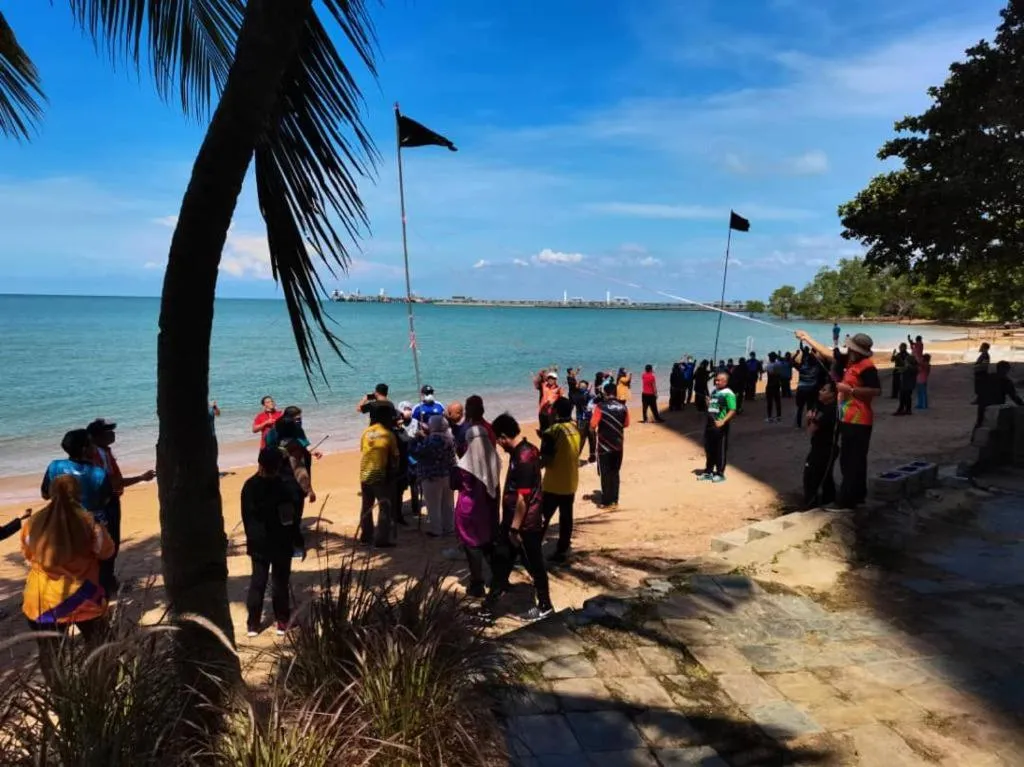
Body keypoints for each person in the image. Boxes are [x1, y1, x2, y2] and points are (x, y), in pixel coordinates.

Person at [21, 474, 115, 675]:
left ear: (51, 493)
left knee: (50, 655)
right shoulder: (89, 522)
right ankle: (99, 692)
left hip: (40, 600)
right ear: (78, 493)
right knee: (100, 648)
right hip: (83, 596)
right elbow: (106, 552)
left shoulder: (32, 523)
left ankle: (59, 698)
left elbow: (28, 556)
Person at [796, 330, 882, 510]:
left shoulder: (866, 367)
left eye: (850, 347)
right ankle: (857, 495)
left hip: (859, 420)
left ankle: (847, 500)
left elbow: (875, 391)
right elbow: (828, 354)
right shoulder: (850, 362)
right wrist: (807, 338)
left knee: (851, 461)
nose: (847, 349)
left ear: (857, 350)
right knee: (851, 459)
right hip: (847, 418)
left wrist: (850, 390)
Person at [488, 413, 554, 622]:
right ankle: (489, 606)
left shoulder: (524, 456)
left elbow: (523, 498)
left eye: (499, 440)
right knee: (502, 561)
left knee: (533, 563)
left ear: (504, 436)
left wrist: (514, 529)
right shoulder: (523, 451)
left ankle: (545, 605)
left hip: (525, 524)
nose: (499, 445)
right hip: (515, 521)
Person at [86, 419, 156, 595]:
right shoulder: (98, 455)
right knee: (109, 545)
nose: (112, 434)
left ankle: (108, 582)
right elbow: (112, 482)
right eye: (108, 431)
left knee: (108, 544)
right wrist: (140, 478)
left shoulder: (103, 452)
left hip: (108, 501)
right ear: (97, 437)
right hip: (106, 504)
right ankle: (106, 585)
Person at [241, 448, 296, 637]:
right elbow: (289, 518)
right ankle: (282, 622)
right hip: (280, 540)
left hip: (257, 541)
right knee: (280, 581)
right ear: (279, 465)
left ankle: (253, 625)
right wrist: (296, 539)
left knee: (258, 581)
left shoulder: (249, 486)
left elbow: (246, 517)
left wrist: (251, 537)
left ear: (260, 463)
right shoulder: (284, 486)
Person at [453, 396, 501, 597]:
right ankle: (497, 577)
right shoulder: (494, 460)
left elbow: (454, 483)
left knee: (471, 543)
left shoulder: (465, 464)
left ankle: (477, 582)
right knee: (488, 540)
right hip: (489, 503)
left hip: (470, 506)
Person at [540, 398, 582, 564]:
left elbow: (547, 460)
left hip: (553, 484)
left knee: (542, 519)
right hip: (570, 481)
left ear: (555, 411)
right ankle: (562, 550)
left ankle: (532, 550)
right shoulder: (575, 428)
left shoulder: (553, 431)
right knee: (566, 518)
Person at [42, 429, 112, 518]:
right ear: (84, 449)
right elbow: (105, 501)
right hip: (91, 524)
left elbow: (45, 495)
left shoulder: (54, 466)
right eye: (92, 443)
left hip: (62, 521)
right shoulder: (99, 473)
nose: (95, 446)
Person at [358, 403, 399, 548]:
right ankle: (382, 539)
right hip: (381, 474)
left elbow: (364, 450)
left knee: (366, 505)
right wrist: (394, 474)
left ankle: (366, 535)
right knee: (384, 506)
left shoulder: (366, 432)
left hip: (365, 473)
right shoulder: (388, 434)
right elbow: (394, 457)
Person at [274, 418, 316, 558]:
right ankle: (297, 547)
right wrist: (309, 490)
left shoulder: (273, 444)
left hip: (277, 486)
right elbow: (299, 471)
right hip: (292, 487)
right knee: (295, 519)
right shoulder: (294, 445)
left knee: (284, 519)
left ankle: (284, 545)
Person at [412, 415, 456, 537]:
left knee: (433, 504)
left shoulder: (432, 440)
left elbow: (419, 453)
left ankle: (437, 530)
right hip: (447, 474)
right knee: (447, 504)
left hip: (432, 476)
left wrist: (416, 439)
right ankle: (449, 527)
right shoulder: (450, 437)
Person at [591, 381, 629, 508]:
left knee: (605, 473)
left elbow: (592, 425)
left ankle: (606, 500)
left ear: (605, 393)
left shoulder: (600, 407)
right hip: (618, 445)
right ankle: (615, 499)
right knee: (615, 472)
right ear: (616, 393)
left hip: (604, 446)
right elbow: (626, 424)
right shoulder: (623, 407)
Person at [803, 382, 838, 508]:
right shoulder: (824, 407)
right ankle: (829, 500)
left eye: (824, 390)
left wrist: (810, 419)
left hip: (825, 448)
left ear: (832, 394)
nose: (820, 392)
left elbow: (811, 430)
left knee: (811, 476)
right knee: (825, 476)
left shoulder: (829, 411)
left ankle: (811, 504)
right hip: (823, 446)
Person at [700, 372, 737, 483]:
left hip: (720, 425)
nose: (716, 382)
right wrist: (708, 403)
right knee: (709, 448)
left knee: (720, 449)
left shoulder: (728, 393)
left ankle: (720, 473)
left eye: (719, 380)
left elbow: (732, 410)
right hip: (710, 424)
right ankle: (708, 471)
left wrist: (723, 421)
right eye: (715, 380)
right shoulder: (715, 391)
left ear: (725, 381)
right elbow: (713, 407)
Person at [392, 403, 418, 526]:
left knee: (400, 492)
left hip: (404, 465)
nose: (401, 421)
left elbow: (407, 442)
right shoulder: (392, 433)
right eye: (399, 419)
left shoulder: (401, 430)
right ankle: (395, 515)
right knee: (395, 493)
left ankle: (399, 515)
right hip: (395, 467)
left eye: (401, 419)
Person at [976, 361, 1024, 428]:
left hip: (983, 405)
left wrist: (979, 399)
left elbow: (980, 389)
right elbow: (1014, 397)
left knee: (980, 425)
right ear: (1006, 370)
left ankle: (975, 437)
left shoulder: (988, 377)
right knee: (999, 427)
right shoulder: (1006, 381)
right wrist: (1022, 405)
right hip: (996, 407)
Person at [794, 344, 824, 428]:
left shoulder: (802, 367)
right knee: (809, 407)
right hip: (811, 389)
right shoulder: (816, 368)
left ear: (807, 360)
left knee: (800, 408)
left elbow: (792, 362)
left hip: (801, 389)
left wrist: (796, 354)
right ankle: (809, 423)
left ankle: (798, 425)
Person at [571, 379, 596, 462]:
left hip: (590, 419)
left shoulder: (590, 395)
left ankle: (592, 456)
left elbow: (596, 400)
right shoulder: (576, 395)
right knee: (581, 439)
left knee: (592, 437)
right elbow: (581, 399)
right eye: (581, 386)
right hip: (581, 420)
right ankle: (575, 458)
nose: (582, 387)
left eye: (584, 386)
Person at [764, 352, 783, 423]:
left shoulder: (769, 366)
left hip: (770, 385)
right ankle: (779, 416)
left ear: (770, 358)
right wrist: (779, 356)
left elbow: (763, 370)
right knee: (777, 401)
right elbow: (781, 360)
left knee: (769, 402)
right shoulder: (779, 364)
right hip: (777, 385)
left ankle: (770, 417)